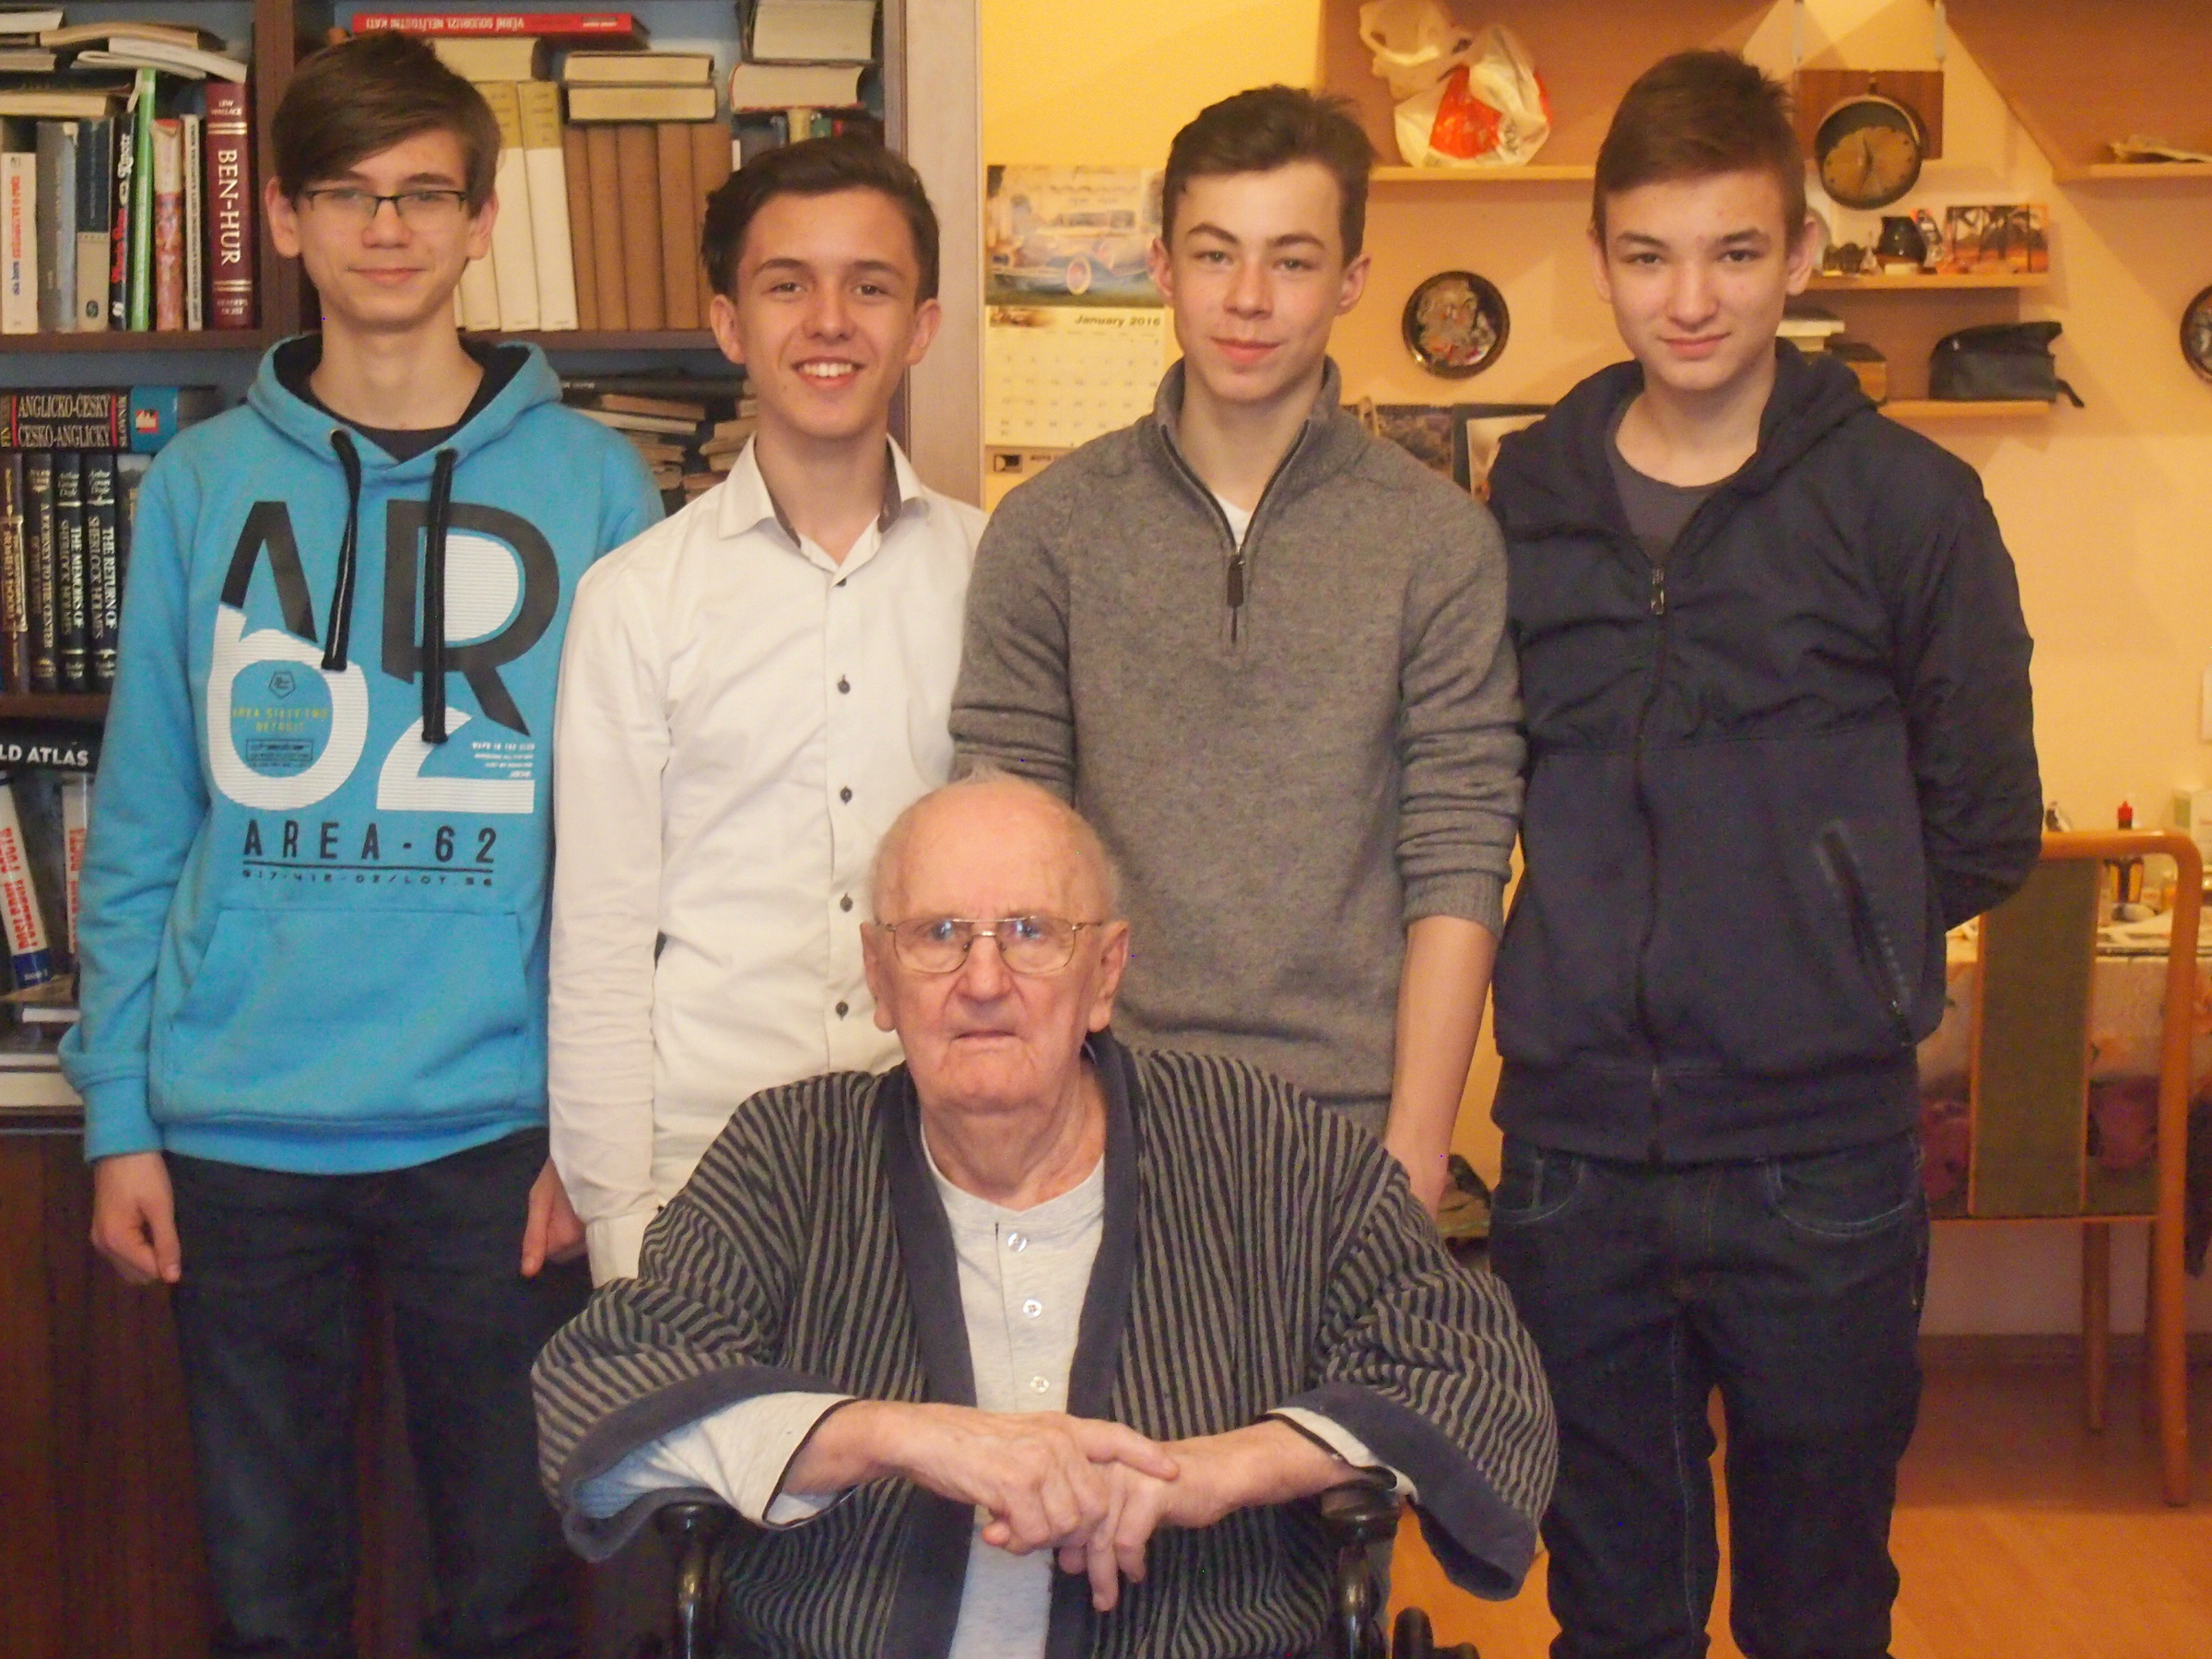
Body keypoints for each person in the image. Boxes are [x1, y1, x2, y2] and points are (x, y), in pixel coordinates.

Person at [66, 32, 662, 1659]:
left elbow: (633, 848)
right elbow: (144, 820)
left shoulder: (595, 484)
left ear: (481, 222)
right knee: (270, 1607)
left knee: (512, 1596)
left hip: (500, 1144)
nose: (386, 228)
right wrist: (119, 1116)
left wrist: (594, 1133)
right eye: (346, 193)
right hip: (239, 1137)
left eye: (423, 194)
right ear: (282, 217)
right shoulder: (199, 484)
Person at [532, 773, 1556, 1657]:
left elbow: (1478, 1377)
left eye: (1031, 934)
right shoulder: (788, 1156)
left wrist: (1219, 1470)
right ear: (879, 977)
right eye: (938, 936)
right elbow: (601, 1389)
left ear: (1105, 973)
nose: (983, 981)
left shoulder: (1264, 1147)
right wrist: (894, 1435)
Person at [1483, 52, 2041, 1659]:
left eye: (1733, 252)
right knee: (1614, 1613)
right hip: (1574, 1158)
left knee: (1819, 1609)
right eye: (1649, 255)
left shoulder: (1910, 505)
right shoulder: (1525, 500)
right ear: (1601, 259)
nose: (1690, 300)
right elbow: (1475, 781)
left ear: (1800, 254)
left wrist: (1826, 944)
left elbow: (1986, 823)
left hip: (1821, 1163)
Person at [950, 87, 1522, 1212]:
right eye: (1216, 255)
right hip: (1096, 1120)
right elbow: (1009, 847)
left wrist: (1417, 1141)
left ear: (1351, 279)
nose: (1249, 299)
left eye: (1293, 261)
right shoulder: (1049, 532)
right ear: (1163, 266)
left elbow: (1458, 851)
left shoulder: (1439, 542)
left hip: (1350, 1133)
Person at [549, 136, 984, 1284]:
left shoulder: (996, 577)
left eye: (870, 287)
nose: (829, 321)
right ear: (730, 324)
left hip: (952, 1166)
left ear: (923, 327)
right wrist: (617, 1220)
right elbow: (599, 935)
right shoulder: (636, 598)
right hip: (704, 1175)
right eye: (787, 285)